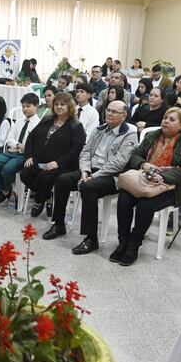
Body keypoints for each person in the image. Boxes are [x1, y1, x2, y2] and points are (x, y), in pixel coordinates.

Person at [42, 100, 137, 253]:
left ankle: (91, 238)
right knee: (62, 179)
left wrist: (94, 176)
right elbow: (85, 152)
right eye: (108, 110)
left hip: (112, 176)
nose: (109, 114)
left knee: (87, 187)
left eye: (114, 112)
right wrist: (85, 171)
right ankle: (59, 224)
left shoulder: (129, 134)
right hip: (90, 171)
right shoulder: (99, 129)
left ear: (124, 115)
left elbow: (118, 163)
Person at [113, 107, 181, 266]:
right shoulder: (153, 136)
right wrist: (144, 164)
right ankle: (123, 241)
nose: (166, 121)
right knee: (124, 198)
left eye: (172, 119)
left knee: (145, 204)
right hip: (145, 180)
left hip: (172, 186)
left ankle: (134, 244)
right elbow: (135, 155)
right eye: (165, 117)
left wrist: (162, 176)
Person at [20, 92, 86, 217]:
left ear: (69, 107)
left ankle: (39, 201)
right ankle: (46, 195)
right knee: (25, 174)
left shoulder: (76, 126)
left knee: (46, 178)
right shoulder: (47, 120)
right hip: (40, 160)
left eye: (62, 104)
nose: (59, 107)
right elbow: (31, 137)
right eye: (56, 104)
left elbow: (76, 149)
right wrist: (29, 156)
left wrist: (57, 163)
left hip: (62, 164)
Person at [0, 93, 41, 204]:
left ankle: (8, 189)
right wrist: (18, 145)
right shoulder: (19, 122)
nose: (25, 109)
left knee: (8, 169)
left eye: (28, 106)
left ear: (36, 106)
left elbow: (35, 145)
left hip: (25, 155)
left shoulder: (39, 125)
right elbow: (9, 139)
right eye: (23, 106)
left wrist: (22, 148)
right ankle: (5, 189)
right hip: (12, 151)